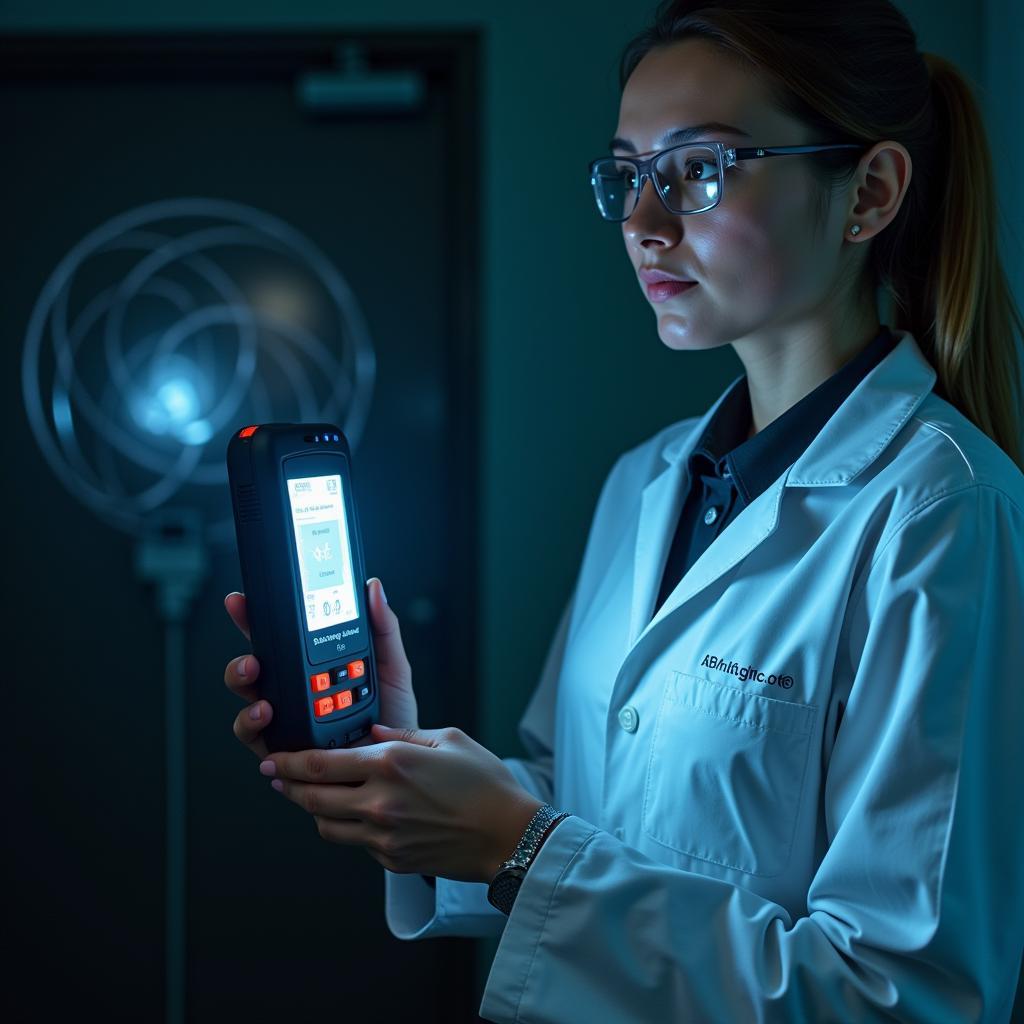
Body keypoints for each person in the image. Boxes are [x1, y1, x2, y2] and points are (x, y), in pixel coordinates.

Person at [223, 1, 1024, 1019]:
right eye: (626, 174)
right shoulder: (645, 480)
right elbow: (587, 798)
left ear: (867, 193)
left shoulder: (940, 516)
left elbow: (902, 994)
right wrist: (407, 762)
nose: (644, 222)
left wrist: (516, 844)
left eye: (698, 170)